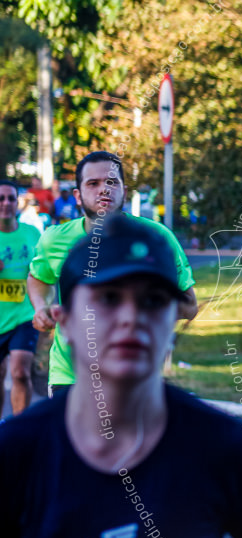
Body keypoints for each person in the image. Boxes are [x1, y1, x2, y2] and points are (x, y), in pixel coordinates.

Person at [0, 215, 242, 538]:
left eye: (152, 301)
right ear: (64, 320)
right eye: (108, 298)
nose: (131, 317)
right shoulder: (18, 447)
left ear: (175, 319)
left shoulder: (221, 444)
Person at [28, 151, 198, 396]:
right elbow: (38, 278)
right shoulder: (54, 239)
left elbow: (189, 306)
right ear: (77, 195)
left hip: (133, 374)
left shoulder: (156, 238)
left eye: (111, 182)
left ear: (124, 191)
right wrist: (40, 307)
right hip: (69, 375)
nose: (104, 190)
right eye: (93, 184)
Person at [0, 180, 41, 416]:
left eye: (11, 198)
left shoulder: (32, 234)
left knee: (20, 372)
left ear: (18, 203)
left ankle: (19, 428)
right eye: (1, 198)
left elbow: (44, 273)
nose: (6, 203)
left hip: (24, 315)